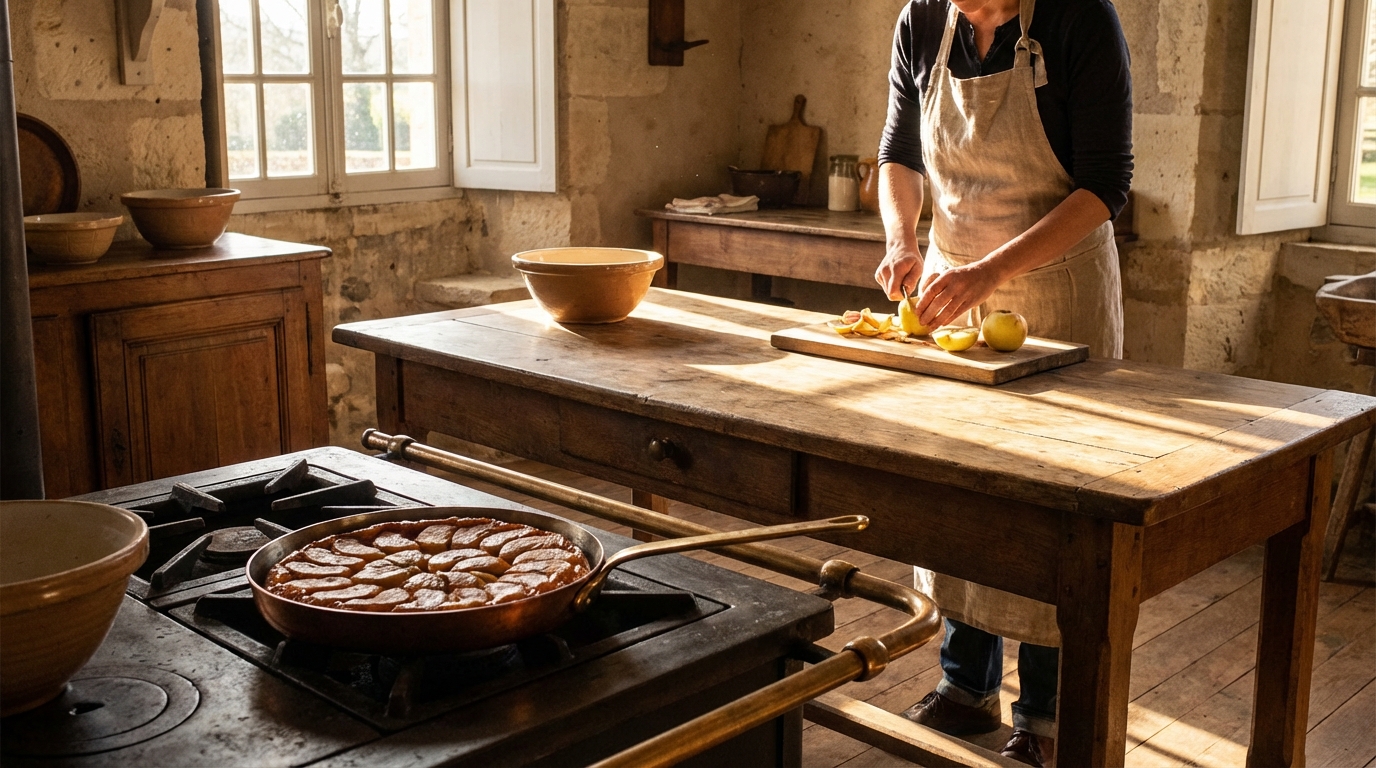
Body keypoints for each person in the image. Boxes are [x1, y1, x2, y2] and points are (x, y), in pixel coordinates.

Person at [873, 0, 1133, 765]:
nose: (962, 5)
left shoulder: (1081, 17)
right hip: (954, 286)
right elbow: (898, 152)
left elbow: (1105, 184)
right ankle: (966, 684)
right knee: (962, 484)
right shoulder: (922, 21)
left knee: (1055, 500)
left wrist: (992, 269)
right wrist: (901, 237)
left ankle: (1048, 716)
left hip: (1059, 290)